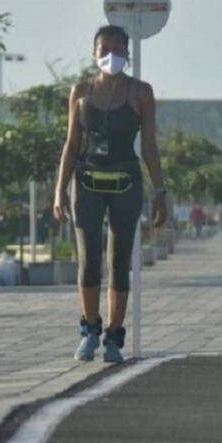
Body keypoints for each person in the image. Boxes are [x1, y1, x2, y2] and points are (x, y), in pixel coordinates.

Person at [53, 24, 167, 364]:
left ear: (127, 54)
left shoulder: (140, 92)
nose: (110, 56)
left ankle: (114, 336)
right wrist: (59, 191)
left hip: (125, 182)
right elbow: (71, 146)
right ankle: (89, 329)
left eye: (118, 50)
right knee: (89, 260)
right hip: (86, 182)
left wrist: (160, 191)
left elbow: (148, 145)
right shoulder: (81, 91)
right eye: (104, 49)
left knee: (119, 262)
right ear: (94, 52)